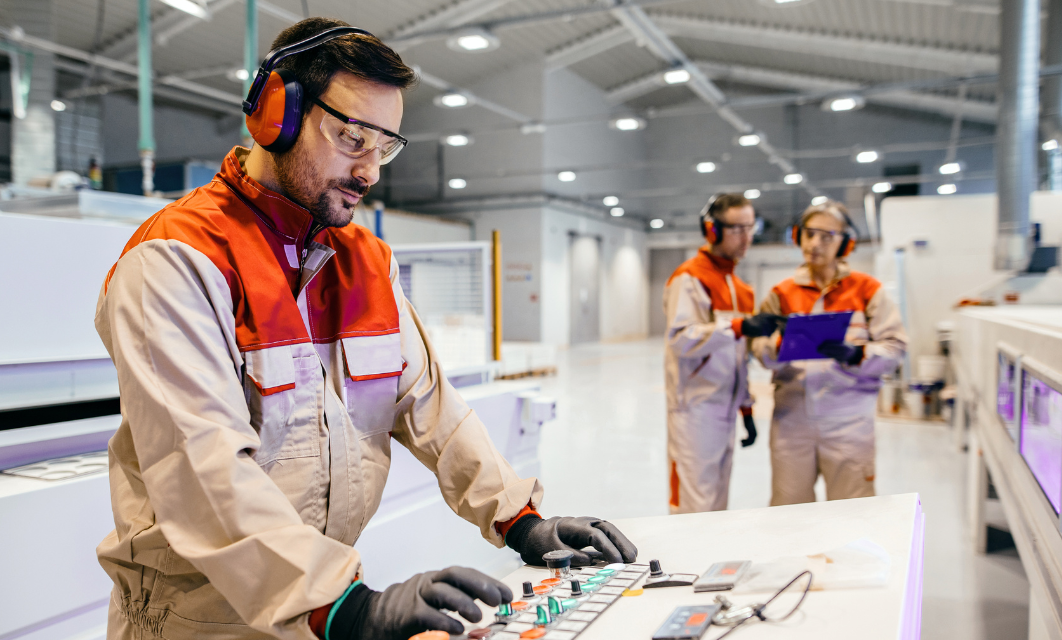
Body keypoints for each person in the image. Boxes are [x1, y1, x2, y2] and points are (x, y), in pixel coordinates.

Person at [94, 18, 636, 640]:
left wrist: (520, 519)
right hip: (200, 618)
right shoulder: (177, 261)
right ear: (277, 116)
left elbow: (430, 408)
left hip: (311, 606)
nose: (371, 172)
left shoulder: (365, 262)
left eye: (384, 147)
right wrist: (344, 604)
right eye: (353, 138)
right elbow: (202, 470)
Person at [751, 201, 907, 505]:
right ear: (798, 236)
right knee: (789, 513)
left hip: (849, 422)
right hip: (791, 421)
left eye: (826, 236)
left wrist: (856, 355)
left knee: (852, 510)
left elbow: (896, 347)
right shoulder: (781, 294)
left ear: (845, 244)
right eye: (809, 234)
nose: (814, 244)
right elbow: (759, 351)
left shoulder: (867, 290)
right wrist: (777, 345)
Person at [663, 193, 784, 514]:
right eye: (736, 229)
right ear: (712, 230)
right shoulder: (689, 278)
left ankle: (710, 565)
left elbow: (738, 358)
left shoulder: (741, 288)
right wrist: (739, 326)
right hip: (694, 411)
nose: (747, 238)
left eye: (751, 227)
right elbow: (680, 339)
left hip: (726, 410)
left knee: (717, 504)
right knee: (693, 506)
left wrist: (746, 408)